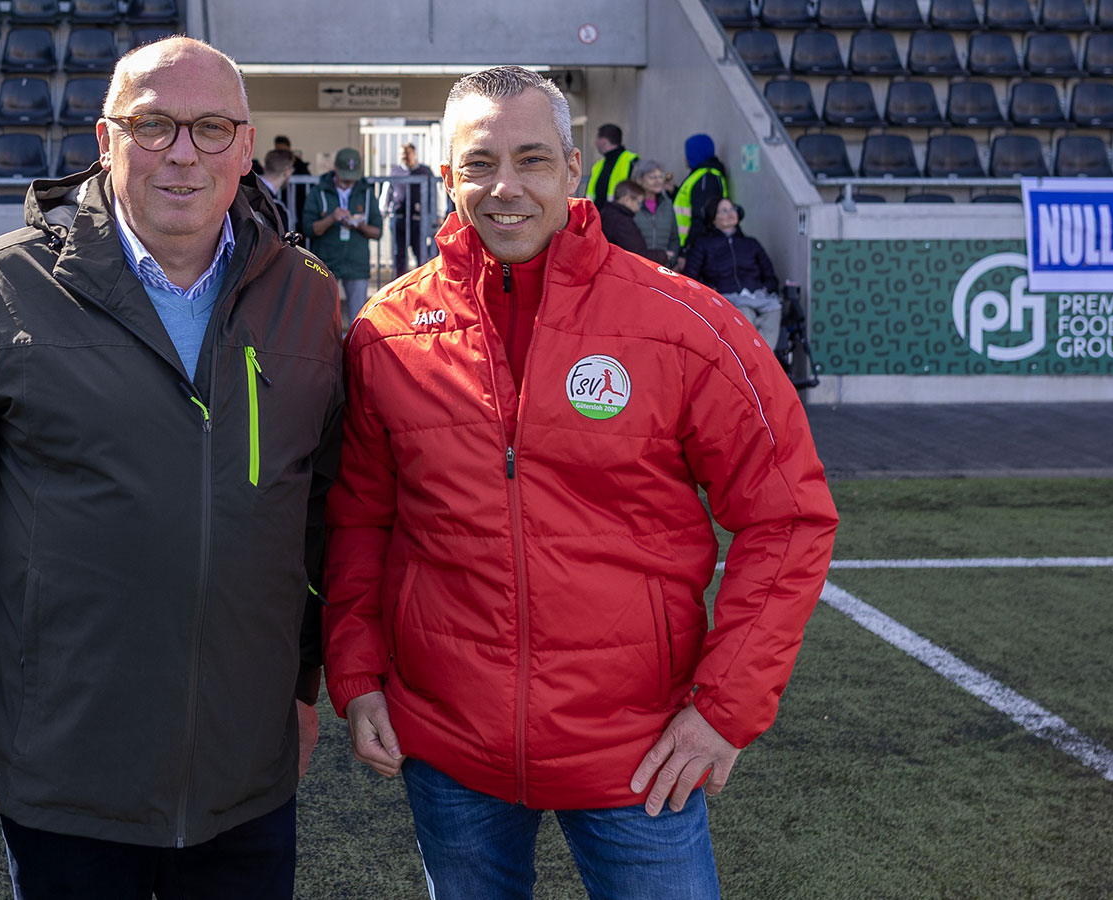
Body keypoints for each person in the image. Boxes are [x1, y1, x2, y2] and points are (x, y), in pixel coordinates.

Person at [323, 65, 837, 900]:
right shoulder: (387, 334)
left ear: (572, 169)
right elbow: (359, 522)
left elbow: (790, 516)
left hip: (640, 750)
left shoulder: (684, 324)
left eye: (531, 159)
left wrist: (725, 710)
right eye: (479, 163)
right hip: (449, 747)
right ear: (446, 175)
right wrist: (356, 675)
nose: (506, 187)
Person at [0, 36, 344, 899]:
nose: (182, 153)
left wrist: (301, 687)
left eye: (210, 128)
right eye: (152, 125)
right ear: (107, 140)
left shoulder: (306, 294)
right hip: (63, 780)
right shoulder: (0, 286)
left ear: (244, 146)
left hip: (245, 780)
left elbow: (314, 517)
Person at [681, 197, 784, 350]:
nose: (730, 214)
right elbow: (690, 277)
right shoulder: (703, 244)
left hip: (755, 295)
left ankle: (761, 358)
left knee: (774, 308)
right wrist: (710, 290)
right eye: (724, 211)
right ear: (713, 219)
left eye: (732, 209)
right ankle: (755, 359)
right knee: (744, 312)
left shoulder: (751, 243)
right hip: (726, 298)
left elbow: (770, 277)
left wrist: (764, 289)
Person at [303, 147, 383, 328]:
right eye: (345, 176)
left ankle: (353, 346)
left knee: (358, 319)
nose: (349, 181)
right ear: (336, 170)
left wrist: (360, 225)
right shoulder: (319, 192)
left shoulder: (366, 193)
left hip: (357, 263)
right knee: (322, 316)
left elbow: (377, 232)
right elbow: (308, 229)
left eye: (352, 176)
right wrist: (332, 218)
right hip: (326, 263)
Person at [384, 142, 434, 277]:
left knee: (421, 255)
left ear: (414, 154)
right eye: (402, 154)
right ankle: (400, 284)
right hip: (398, 219)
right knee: (399, 255)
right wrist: (383, 211)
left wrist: (436, 214)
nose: (404, 156)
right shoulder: (395, 171)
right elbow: (387, 192)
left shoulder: (425, 172)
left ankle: (422, 283)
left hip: (418, 220)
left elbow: (435, 193)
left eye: (407, 153)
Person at [674, 133, 729, 249]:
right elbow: (689, 204)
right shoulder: (700, 175)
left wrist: (687, 249)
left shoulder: (706, 178)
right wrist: (673, 191)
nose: (685, 158)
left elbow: (701, 217)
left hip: (695, 247)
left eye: (687, 153)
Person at [631, 158, 679, 267]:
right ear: (639, 180)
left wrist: (670, 262)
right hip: (636, 267)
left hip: (662, 267)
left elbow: (674, 238)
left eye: (660, 176)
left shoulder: (667, 204)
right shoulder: (632, 205)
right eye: (652, 177)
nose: (658, 181)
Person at [583, 122, 637, 209]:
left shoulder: (632, 161)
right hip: (597, 215)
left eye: (597, 138)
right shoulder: (598, 166)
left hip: (620, 215)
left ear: (603, 141)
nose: (595, 142)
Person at [598, 178, 648, 257]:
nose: (638, 209)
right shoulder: (622, 221)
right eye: (638, 203)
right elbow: (637, 253)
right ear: (627, 199)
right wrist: (664, 255)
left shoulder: (607, 212)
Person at [258, 147, 295, 231]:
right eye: (292, 169)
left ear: (265, 167)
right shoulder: (277, 207)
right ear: (287, 171)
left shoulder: (246, 192)